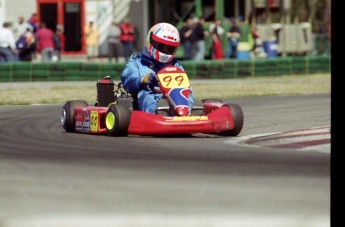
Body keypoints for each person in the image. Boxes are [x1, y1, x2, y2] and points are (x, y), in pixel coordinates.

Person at [121, 22, 194, 114]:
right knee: (145, 95)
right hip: (147, 100)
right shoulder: (137, 62)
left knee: (188, 94)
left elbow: (185, 86)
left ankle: (186, 115)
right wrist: (142, 80)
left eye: (170, 49)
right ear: (151, 41)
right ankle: (156, 115)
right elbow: (127, 82)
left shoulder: (175, 65)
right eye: (162, 47)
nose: (166, 51)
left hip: (172, 98)